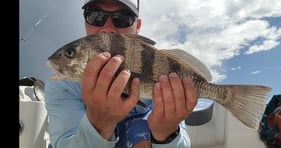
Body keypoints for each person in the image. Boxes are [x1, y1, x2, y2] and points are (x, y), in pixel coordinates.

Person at [44, 0, 198, 147]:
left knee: (141, 129)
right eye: (96, 16)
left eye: (122, 18)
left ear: (137, 26)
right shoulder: (63, 85)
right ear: (85, 21)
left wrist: (166, 134)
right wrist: (99, 124)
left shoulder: (163, 68)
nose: (108, 28)